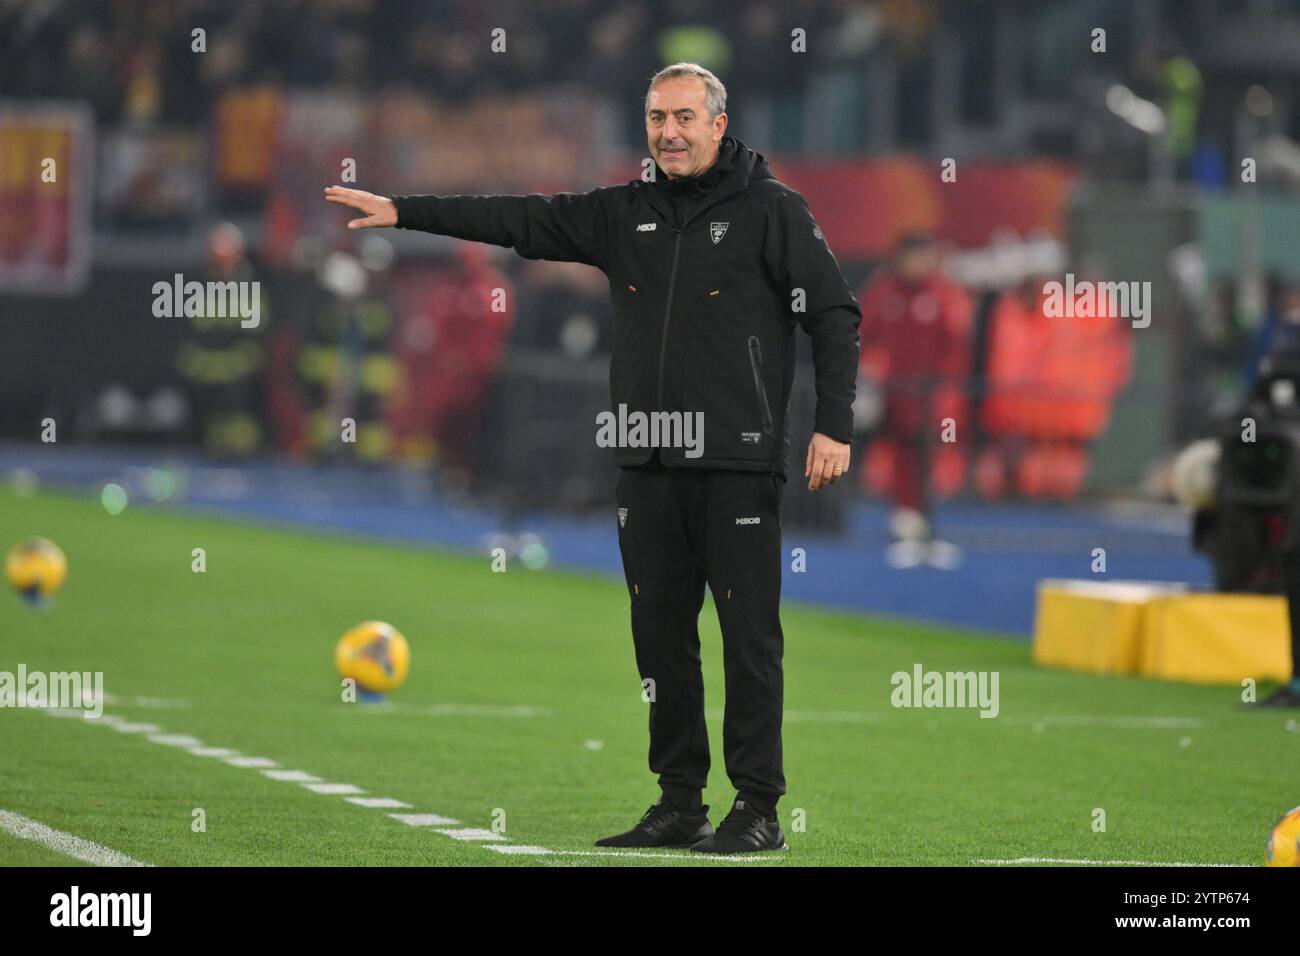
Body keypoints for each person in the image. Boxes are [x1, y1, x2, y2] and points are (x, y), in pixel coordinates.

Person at [323, 62, 862, 853]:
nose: (668, 133)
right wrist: (404, 210)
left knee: (749, 639)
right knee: (660, 640)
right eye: (655, 118)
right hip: (644, 463)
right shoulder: (623, 213)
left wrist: (835, 427)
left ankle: (758, 810)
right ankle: (680, 803)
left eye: (683, 117)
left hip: (737, 463)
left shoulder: (773, 211)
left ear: (719, 123)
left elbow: (835, 314)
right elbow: (520, 219)